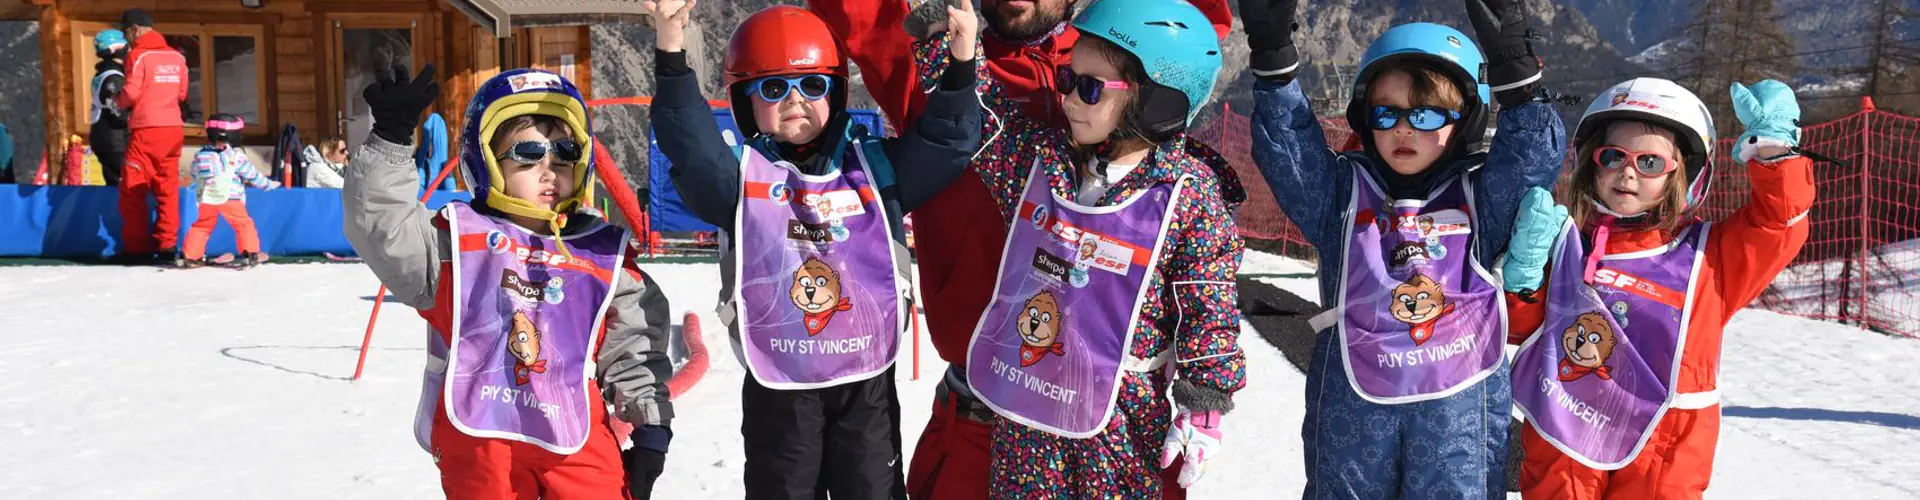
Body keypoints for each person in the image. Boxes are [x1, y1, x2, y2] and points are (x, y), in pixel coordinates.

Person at [802, 0, 1232, 496]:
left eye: (1087, 89)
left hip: (1121, 429)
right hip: (1011, 421)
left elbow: (1207, 297)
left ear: (1152, 101)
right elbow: (989, 126)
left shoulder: (1183, 191)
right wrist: (950, 51)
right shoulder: (1046, 163)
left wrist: (1204, 400)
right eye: (1069, 81)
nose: (1070, 100)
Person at [644, 1, 981, 497]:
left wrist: (962, 61)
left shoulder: (874, 170)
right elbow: (692, 149)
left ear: (837, 92)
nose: (795, 100)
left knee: (870, 486)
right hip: (779, 379)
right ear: (745, 99)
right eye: (774, 88)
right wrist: (671, 51)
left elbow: (948, 143)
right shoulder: (739, 181)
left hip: (863, 380)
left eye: (813, 85)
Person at [1239, 0, 1570, 496]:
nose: (1403, 127)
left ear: (1467, 120)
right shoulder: (1339, 196)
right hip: (1353, 414)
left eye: (1426, 113)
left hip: (1457, 418)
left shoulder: (1482, 197)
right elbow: (1288, 149)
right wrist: (1273, 63)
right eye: (1385, 113)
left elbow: (1531, 158)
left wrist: (1519, 79)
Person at [343, 65, 675, 499]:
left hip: (574, 434)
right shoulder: (454, 247)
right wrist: (390, 141)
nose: (548, 170)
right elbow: (380, 227)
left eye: (564, 154)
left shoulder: (601, 255)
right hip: (481, 439)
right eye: (527, 155)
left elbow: (633, 347)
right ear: (485, 159)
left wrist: (651, 428)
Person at [1498, 78, 1814, 499]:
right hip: (1568, 422)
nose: (1628, 172)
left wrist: (1775, 154)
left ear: (1681, 175)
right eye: (1613, 157)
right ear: (1591, 163)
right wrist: (1525, 278)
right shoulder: (1568, 239)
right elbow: (1523, 330)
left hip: (1663, 441)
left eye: (1649, 163)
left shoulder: (1709, 257)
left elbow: (1776, 224)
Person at [114, 9, 189, 264]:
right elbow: (182, 94)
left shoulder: (138, 55)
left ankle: (136, 248)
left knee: (133, 188)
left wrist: (118, 101)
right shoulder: (176, 57)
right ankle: (167, 244)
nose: (126, 39)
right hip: (173, 129)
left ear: (135, 29)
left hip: (147, 129)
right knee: (167, 188)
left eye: (126, 33)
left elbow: (131, 93)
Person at [179, 114, 278, 268]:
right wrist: (268, 185)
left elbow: (194, 174)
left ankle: (190, 256)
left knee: (202, 225)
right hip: (230, 198)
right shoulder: (235, 156)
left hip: (207, 198)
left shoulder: (200, 156)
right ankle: (250, 252)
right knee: (243, 224)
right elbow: (252, 175)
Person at [91, 29, 131, 187]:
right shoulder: (113, 77)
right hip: (115, 141)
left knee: (114, 186)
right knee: (124, 187)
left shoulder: (102, 73)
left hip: (104, 136)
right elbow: (117, 112)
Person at [418, 111, 454, 192]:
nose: (429, 147)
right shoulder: (421, 160)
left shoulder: (442, 163)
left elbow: (451, 192)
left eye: (431, 141)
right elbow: (418, 190)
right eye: (427, 142)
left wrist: (449, 180)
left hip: (439, 198)